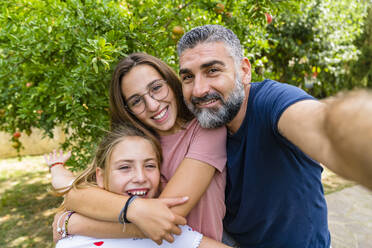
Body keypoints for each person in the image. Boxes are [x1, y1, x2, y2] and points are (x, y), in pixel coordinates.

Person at [175, 24, 372, 247]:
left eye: (212, 71)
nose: (199, 90)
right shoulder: (201, 128)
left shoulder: (273, 102)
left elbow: (327, 130)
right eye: (188, 77)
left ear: (244, 71)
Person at [50, 53, 227, 244]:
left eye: (157, 88)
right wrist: (133, 209)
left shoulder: (206, 130)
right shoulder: (134, 144)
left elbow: (164, 219)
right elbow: (77, 195)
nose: (152, 105)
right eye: (136, 101)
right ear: (128, 110)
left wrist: (73, 223)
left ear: (170, 82)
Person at [45, 124, 230, 248]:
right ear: (100, 177)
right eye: (125, 167)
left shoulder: (168, 231)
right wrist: (56, 166)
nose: (140, 177)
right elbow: (63, 182)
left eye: (150, 166)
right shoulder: (79, 218)